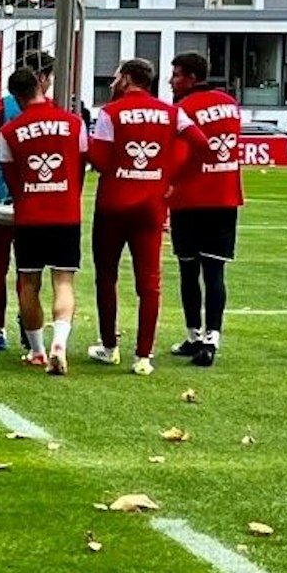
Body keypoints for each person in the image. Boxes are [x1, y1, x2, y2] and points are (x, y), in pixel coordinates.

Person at [85, 58, 207, 375]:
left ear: (126, 78)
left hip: (113, 205)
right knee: (149, 283)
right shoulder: (172, 112)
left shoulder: (110, 112)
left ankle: (110, 347)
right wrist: (171, 180)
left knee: (106, 277)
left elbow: (98, 160)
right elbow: (201, 145)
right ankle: (143, 356)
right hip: (151, 206)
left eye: (116, 77)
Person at [0, 65, 87, 375]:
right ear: (41, 86)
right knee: (63, 281)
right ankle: (59, 344)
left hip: (30, 216)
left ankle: (36, 351)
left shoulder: (9, 131)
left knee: (28, 284)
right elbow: (80, 168)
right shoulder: (75, 123)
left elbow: (12, 179)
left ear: (16, 96)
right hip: (65, 212)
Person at [166, 51, 243, 367]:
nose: (172, 81)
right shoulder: (230, 103)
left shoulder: (184, 109)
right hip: (225, 197)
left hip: (191, 199)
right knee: (215, 271)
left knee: (188, 269)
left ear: (192, 78)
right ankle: (212, 338)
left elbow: (180, 155)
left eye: (177, 74)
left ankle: (195, 336)